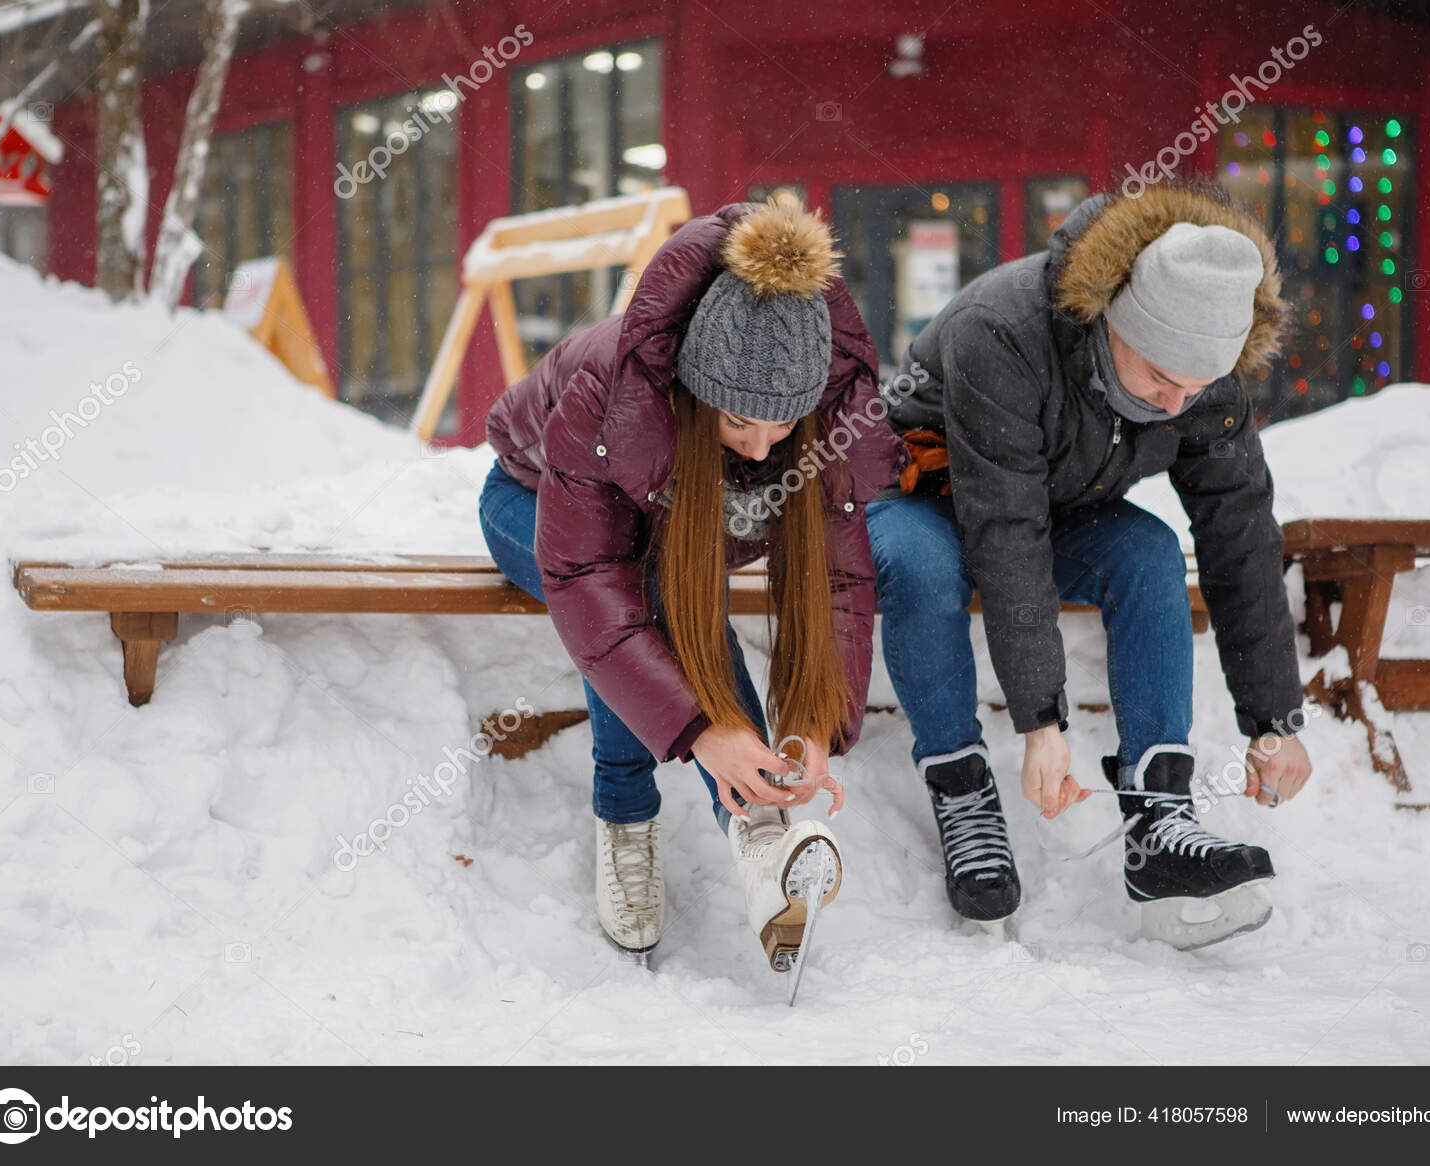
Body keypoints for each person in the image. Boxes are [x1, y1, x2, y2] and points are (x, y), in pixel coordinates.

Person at [867, 180, 1313, 949]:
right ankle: (963, 791)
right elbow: (1005, 532)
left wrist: (1274, 720)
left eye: (1195, 388)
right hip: (924, 492)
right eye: (1157, 380)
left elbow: (1237, 530)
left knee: (1145, 550)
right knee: (922, 568)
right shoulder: (1001, 332)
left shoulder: (1201, 370)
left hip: (1055, 500)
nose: (1175, 405)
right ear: (1113, 324)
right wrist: (1041, 721)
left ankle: (1160, 820)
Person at [479, 200, 906, 968]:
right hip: (528, 498)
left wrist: (817, 717)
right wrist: (704, 732)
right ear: (693, 384)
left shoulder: (824, 421)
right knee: (640, 590)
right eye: (738, 423)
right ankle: (632, 813)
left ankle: (760, 835)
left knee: (665, 583)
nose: (761, 444)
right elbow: (588, 579)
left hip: (665, 541)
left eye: (782, 426)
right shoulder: (614, 389)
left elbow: (840, 577)